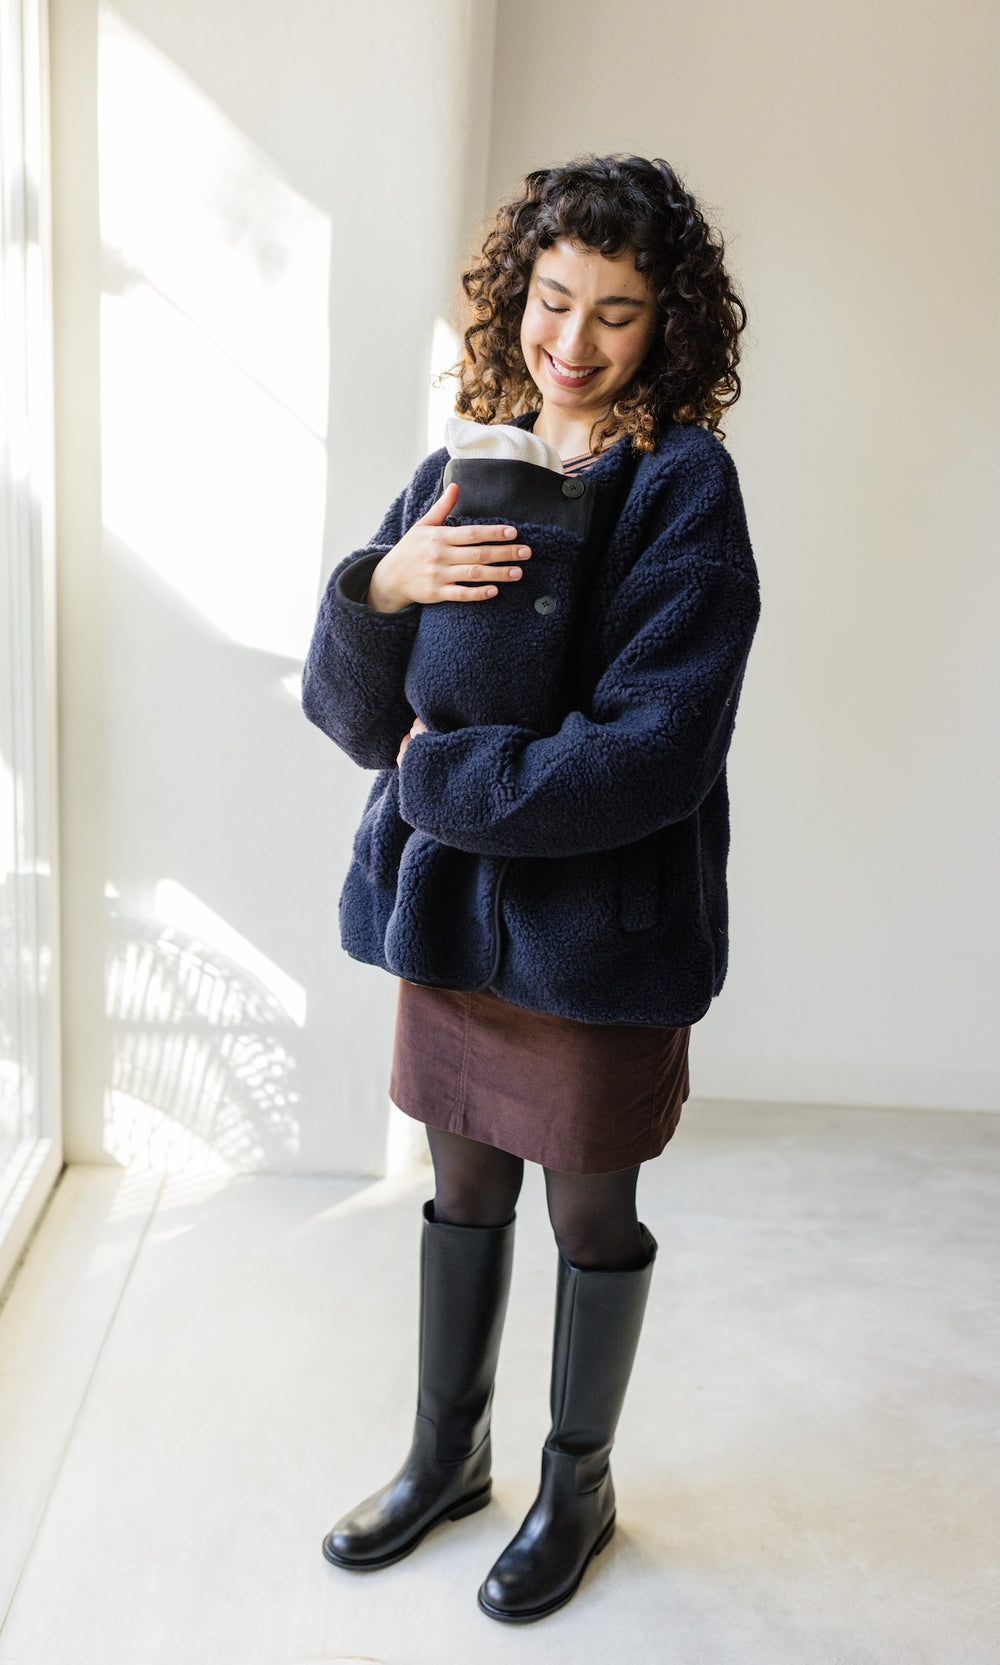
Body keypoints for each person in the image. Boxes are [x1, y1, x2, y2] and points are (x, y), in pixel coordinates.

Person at [301, 153, 761, 1623]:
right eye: (555, 298)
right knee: (460, 1183)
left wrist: (444, 780)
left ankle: (580, 1483)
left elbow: (656, 749)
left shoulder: (683, 483)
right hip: (451, 925)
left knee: (587, 1213)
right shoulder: (464, 462)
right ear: (518, 294)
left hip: (594, 937)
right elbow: (358, 715)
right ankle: (448, 1456)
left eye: (616, 313)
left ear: (667, 324)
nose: (573, 339)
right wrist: (378, 588)